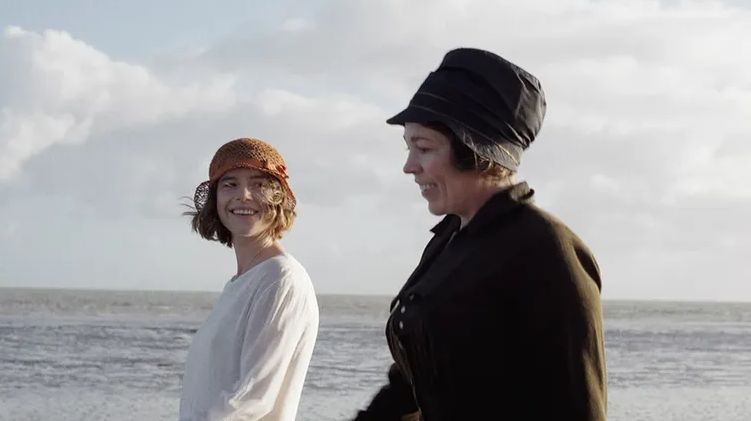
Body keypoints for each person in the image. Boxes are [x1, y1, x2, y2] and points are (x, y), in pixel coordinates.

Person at [348, 48, 607, 421]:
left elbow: (578, 408)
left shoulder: (546, 249)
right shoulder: (449, 240)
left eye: (423, 148)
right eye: (409, 148)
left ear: (475, 150)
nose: (409, 166)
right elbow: (413, 383)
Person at [178, 137, 320, 421]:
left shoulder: (281, 279)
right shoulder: (242, 282)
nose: (243, 195)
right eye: (230, 184)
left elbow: (253, 399)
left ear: (278, 197)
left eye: (258, 185)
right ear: (216, 199)